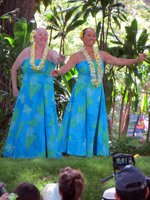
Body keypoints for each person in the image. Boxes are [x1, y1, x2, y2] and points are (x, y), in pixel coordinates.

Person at [51, 28, 146, 157]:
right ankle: (76, 150)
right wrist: (59, 72)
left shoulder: (101, 54)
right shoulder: (77, 56)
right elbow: (66, 68)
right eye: (89, 35)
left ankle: (93, 150)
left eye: (94, 35)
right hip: (81, 93)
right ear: (82, 37)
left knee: (93, 120)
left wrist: (137, 60)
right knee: (79, 119)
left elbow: (118, 61)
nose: (92, 37)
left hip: (96, 94)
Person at [4, 27, 65, 158]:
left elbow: (55, 58)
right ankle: (22, 152)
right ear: (34, 37)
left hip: (44, 96)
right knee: (25, 120)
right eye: (40, 35)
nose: (43, 37)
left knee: (43, 121)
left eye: (46, 35)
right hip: (26, 95)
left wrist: (59, 59)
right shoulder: (26, 52)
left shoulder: (50, 52)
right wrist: (15, 88)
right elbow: (14, 68)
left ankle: (44, 151)